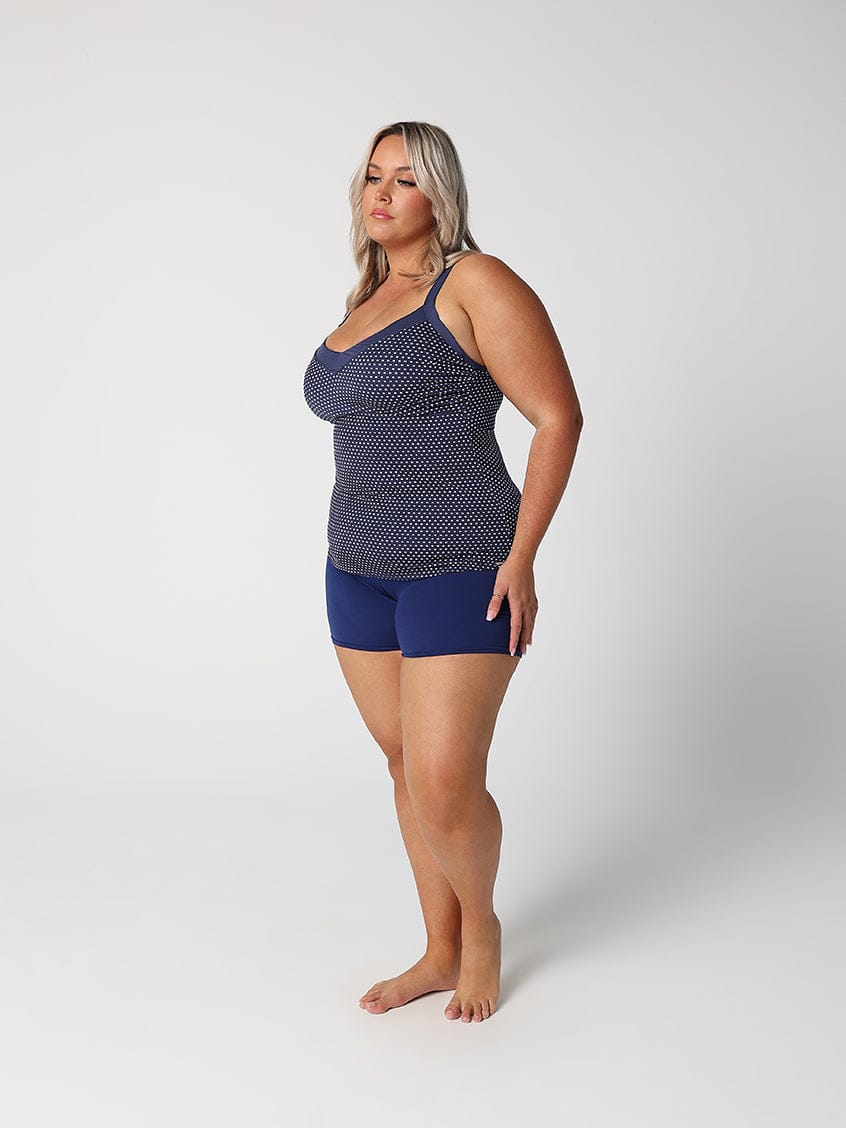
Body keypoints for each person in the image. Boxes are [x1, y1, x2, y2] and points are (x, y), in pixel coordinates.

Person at [303, 121, 583, 1023]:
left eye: (403, 180)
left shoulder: (476, 282)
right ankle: (437, 948)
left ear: (440, 196)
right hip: (358, 569)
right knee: (400, 764)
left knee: (444, 780)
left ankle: (483, 929)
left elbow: (556, 416)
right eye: (371, 177)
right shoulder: (366, 299)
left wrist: (522, 556)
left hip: (464, 563)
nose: (379, 193)